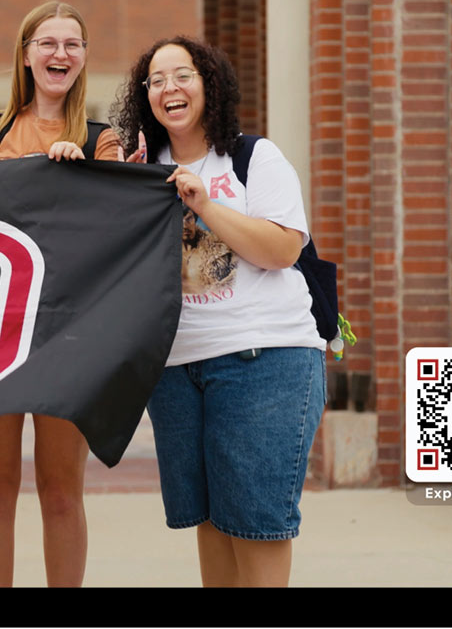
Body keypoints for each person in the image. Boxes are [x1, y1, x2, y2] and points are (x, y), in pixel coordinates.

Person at [110, 35, 326, 587]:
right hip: (178, 368)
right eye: (155, 81)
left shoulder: (254, 157)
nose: (169, 88)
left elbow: (282, 250)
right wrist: (110, 183)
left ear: (209, 84)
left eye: (182, 75)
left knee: (256, 524)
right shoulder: (140, 169)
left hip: (264, 359)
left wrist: (204, 203)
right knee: (208, 520)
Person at [0, 0, 121, 587]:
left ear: (84, 57)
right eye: (48, 43)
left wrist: (85, 171)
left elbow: (120, 218)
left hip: (72, 335)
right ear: (28, 55)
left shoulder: (102, 137)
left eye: (71, 44)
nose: (60, 53)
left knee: (63, 493)